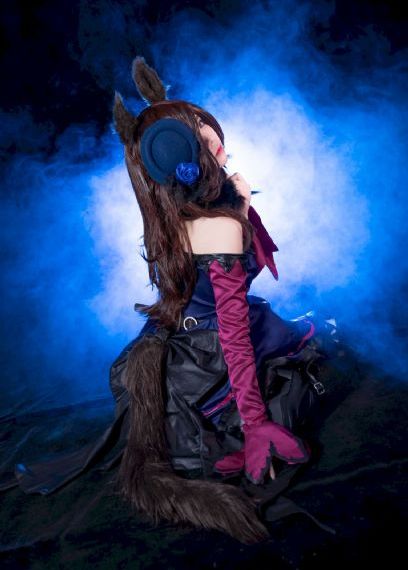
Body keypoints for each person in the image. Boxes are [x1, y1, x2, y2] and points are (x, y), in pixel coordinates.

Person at [5, 56, 338, 544]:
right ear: (184, 152)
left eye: (204, 124)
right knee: (303, 350)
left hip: (179, 338)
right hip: (214, 349)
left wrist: (239, 203)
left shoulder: (169, 217)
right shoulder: (219, 227)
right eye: (201, 133)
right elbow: (233, 333)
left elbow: (188, 291)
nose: (214, 137)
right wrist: (255, 423)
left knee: (292, 329)